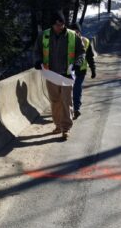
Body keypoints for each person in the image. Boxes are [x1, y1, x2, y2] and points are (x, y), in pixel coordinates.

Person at [34, 11, 85, 140]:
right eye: (57, 25)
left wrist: (78, 64)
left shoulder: (73, 36)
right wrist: (37, 61)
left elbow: (81, 52)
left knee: (66, 102)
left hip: (67, 75)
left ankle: (66, 128)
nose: (60, 27)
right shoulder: (43, 35)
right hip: (51, 74)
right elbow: (37, 51)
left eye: (62, 25)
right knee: (55, 102)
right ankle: (58, 125)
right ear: (52, 25)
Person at [70, 22, 96, 120]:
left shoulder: (85, 41)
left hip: (81, 70)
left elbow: (90, 57)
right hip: (69, 70)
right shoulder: (67, 41)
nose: (75, 33)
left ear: (79, 31)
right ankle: (69, 109)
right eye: (73, 31)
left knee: (77, 88)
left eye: (76, 31)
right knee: (68, 91)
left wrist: (93, 69)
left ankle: (76, 109)